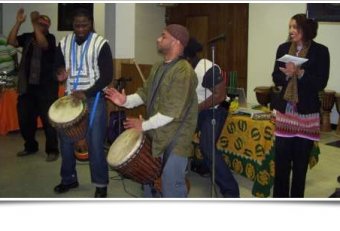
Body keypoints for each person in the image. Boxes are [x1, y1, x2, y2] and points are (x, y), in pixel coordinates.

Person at [105, 24, 197, 198]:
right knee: (150, 184)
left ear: (176, 42)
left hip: (175, 141)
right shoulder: (158, 67)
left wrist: (144, 125)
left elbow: (171, 112)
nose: (158, 39)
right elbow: (145, 93)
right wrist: (125, 101)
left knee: (171, 187)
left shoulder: (184, 71)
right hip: (156, 136)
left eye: (163, 36)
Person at [54, 8, 113, 198]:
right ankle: (69, 178)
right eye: (76, 25)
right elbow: (57, 66)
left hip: (93, 97)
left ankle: (101, 184)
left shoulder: (100, 43)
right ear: (72, 24)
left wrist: (86, 93)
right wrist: (59, 73)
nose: (80, 29)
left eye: (84, 25)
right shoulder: (64, 43)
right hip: (71, 98)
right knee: (65, 141)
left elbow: (107, 76)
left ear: (91, 23)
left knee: (95, 143)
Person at [272, 13, 330, 197]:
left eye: (295, 27)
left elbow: (321, 82)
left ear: (305, 30)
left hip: (306, 116)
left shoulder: (320, 51)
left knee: (300, 166)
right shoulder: (283, 48)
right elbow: (275, 76)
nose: (291, 31)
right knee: (281, 164)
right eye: (290, 27)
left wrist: (300, 73)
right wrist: (287, 75)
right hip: (285, 114)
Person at [183, 37, 240, 197]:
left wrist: (196, 108)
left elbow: (220, 95)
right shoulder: (189, 69)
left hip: (216, 110)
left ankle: (231, 192)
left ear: (189, 57)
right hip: (201, 109)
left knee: (207, 147)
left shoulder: (207, 69)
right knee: (176, 134)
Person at [7, 8, 59, 162]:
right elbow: (11, 41)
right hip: (28, 88)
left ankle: (52, 150)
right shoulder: (28, 37)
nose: (41, 25)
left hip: (46, 89)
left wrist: (34, 22)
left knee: (49, 122)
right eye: (39, 23)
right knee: (25, 119)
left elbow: (42, 44)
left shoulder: (50, 38)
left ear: (48, 26)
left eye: (44, 24)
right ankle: (30, 146)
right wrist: (18, 22)